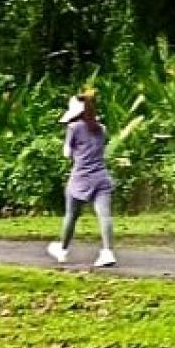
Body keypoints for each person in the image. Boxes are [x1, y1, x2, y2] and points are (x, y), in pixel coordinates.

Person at [46, 93, 117, 268]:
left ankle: (62, 250)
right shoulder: (102, 128)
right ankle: (107, 252)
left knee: (71, 214)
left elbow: (67, 154)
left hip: (80, 178)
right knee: (104, 215)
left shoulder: (73, 128)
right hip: (101, 177)